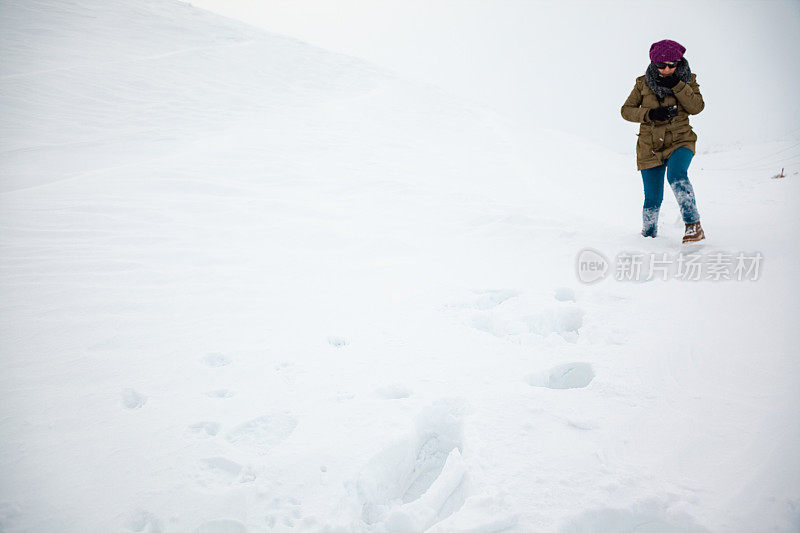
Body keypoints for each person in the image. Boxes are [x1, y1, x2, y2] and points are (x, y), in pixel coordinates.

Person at [621, 39, 706, 243]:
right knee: (652, 197)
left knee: (676, 175)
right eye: (661, 65)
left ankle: (693, 226)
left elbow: (697, 107)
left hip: (681, 140)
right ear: (653, 64)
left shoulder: (688, 80)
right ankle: (648, 238)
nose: (666, 69)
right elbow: (626, 111)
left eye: (671, 65)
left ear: (678, 63)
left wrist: (677, 86)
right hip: (650, 147)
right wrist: (650, 114)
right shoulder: (642, 83)